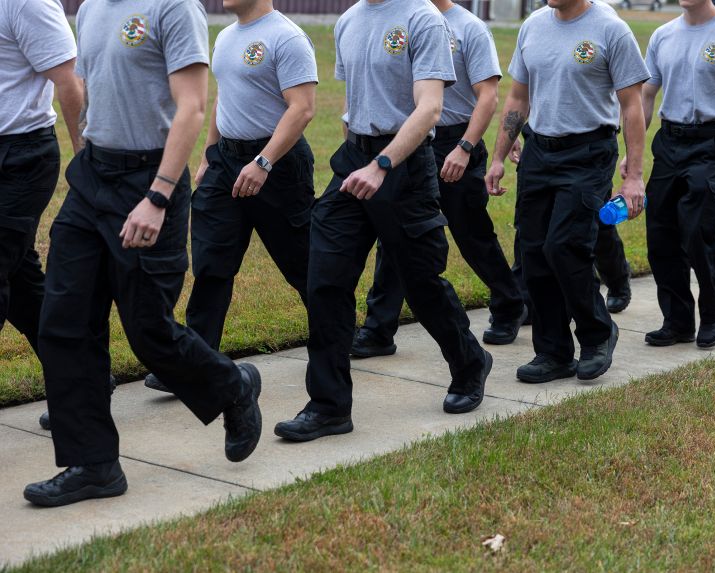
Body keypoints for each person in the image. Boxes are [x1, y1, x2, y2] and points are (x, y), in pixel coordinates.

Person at [24, 0, 263, 508]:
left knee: (148, 329)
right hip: (94, 178)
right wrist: (86, 155)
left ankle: (233, 386)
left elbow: (193, 106)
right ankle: (94, 464)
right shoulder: (90, 8)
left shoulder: (173, 8)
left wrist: (157, 196)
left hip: (152, 178)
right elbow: (86, 88)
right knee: (62, 322)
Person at [274, 0, 493, 443]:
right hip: (354, 161)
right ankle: (329, 406)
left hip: (404, 167)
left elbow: (430, 109)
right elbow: (358, 100)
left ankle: (470, 362)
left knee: (420, 282)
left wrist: (383, 164)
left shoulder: (422, 19)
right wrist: (360, 157)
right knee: (325, 281)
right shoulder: (350, 19)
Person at [143, 0, 317, 394]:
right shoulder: (224, 36)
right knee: (212, 264)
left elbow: (303, 109)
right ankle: (197, 364)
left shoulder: (286, 36)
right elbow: (225, 97)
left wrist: (264, 162)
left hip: (278, 166)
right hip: (227, 162)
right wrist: (210, 151)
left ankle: (333, 343)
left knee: (305, 265)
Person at [349, 0, 526, 360]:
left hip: (454, 140)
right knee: (396, 239)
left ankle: (509, 305)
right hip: (408, 143)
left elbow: (488, 96)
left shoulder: (469, 28)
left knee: (471, 233)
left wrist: (464, 147)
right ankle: (379, 329)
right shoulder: (397, 18)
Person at [486, 0, 650, 384]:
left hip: (588, 152)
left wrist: (634, 176)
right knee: (533, 252)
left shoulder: (611, 30)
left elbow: (631, 106)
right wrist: (497, 155)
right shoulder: (534, 26)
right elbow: (518, 97)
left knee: (565, 246)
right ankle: (553, 352)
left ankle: (597, 334)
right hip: (539, 151)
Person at [636, 0, 715, 346]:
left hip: (710, 144)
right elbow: (647, 95)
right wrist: (633, 158)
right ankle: (677, 322)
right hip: (669, 142)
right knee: (660, 234)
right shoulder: (663, 36)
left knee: (698, 232)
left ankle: (711, 314)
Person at [0, 0, 84, 414]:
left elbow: (69, 82)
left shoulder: (26, 2)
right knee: (20, 284)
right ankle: (82, 379)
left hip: (22, 158)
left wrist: (87, 163)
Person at [508, 123, 633, 317]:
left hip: (588, 143)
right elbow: (523, 95)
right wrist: (511, 133)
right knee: (530, 229)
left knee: (590, 227)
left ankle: (617, 279)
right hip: (540, 140)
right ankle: (528, 299)